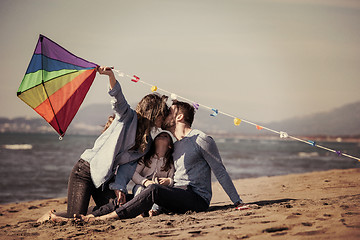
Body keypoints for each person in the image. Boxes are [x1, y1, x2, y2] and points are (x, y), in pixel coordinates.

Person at [38, 66, 169, 222]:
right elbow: (118, 99)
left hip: (104, 178)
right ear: (154, 113)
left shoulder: (147, 143)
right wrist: (110, 76)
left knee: (116, 206)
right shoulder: (127, 117)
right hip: (85, 171)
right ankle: (50, 217)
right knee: (76, 214)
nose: (164, 117)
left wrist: (119, 187)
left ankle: (59, 215)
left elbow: (127, 168)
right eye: (162, 113)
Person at [79, 100, 246, 222]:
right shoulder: (174, 145)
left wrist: (237, 202)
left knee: (153, 190)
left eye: (169, 112)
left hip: (196, 198)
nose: (164, 115)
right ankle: (81, 216)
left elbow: (220, 171)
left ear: (179, 116)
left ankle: (111, 217)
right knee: (129, 199)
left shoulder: (201, 139)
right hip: (177, 195)